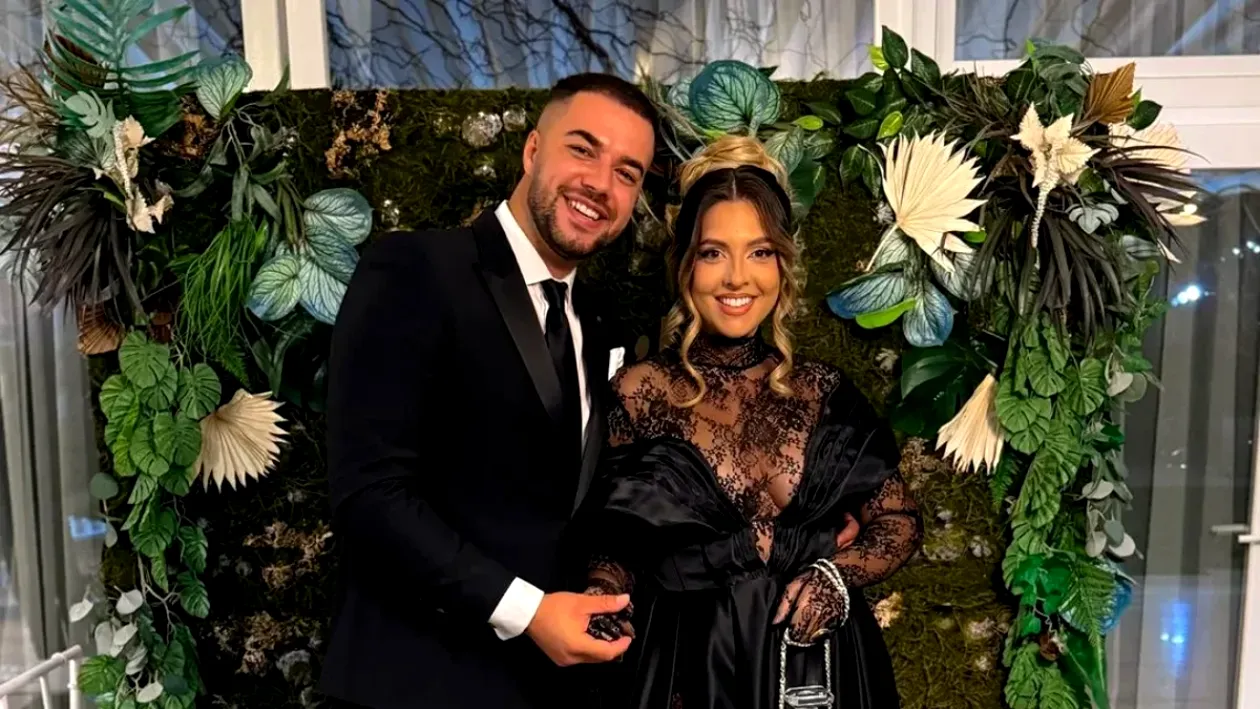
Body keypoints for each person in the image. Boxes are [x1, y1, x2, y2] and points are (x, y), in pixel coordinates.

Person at [319, 73, 660, 709]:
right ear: (533, 150)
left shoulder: (599, 324)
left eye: (626, 172)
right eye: (582, 149)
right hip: (412, 687)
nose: (600, 184)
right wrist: (529, 612)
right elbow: (370, 496)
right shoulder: (415, 270)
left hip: (542, 692)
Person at [574, 136, 925, 709]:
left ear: (783, 265)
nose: (737, 278)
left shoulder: (823, 392)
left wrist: (836, 577)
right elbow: (613, 543)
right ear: (685, 265)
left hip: (818, 671)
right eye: (714, 253)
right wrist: (602, 592)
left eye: (759, 252)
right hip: (687, 671)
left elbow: (898, 520)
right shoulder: (640, 392)